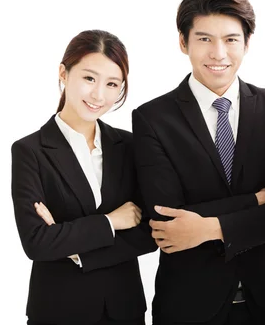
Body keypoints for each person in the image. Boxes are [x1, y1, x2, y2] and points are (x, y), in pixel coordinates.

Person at [132, 0, 265, 325]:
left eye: (231, 40)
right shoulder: (152, 118)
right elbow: (166, 219)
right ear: (184, 42)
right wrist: (256, 201)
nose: (219, 53)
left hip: (264, 301)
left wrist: (208, 227)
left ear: (247, 43)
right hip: (188, 304)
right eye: (205, 39)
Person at [11, 30, 157, 325]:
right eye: (89, 78)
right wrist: (111, 222)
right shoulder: (30, 151)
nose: (99, 95)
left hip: (124, 310)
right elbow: (37, 242)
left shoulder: (129, 147)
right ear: (64, 74)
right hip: (57, 311)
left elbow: (149, 233)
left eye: (112, 84)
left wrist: (72, 246)